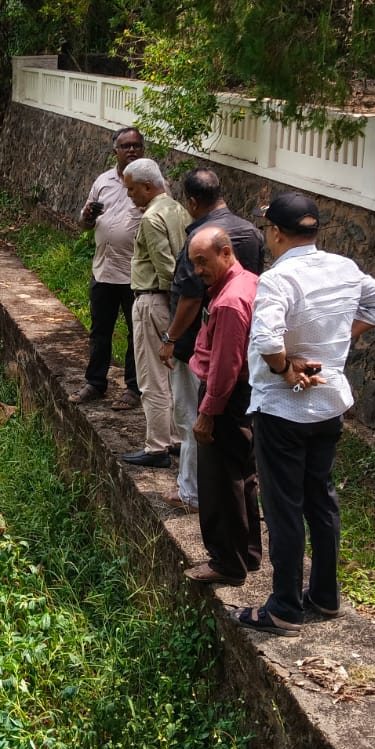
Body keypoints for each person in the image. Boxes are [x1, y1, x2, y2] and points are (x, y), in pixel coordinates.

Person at [235, 192, 375, 636]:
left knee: (284, 508)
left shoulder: (278, 278)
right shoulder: (343, 268)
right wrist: (336, 344)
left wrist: (288, 367)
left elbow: (268, 340)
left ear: (276, 233)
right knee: (321, 501)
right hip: (328, 406)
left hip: (282, 410)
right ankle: (325, 595)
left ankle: (285, 606)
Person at [157, 169, 265, 509]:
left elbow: (190, 296)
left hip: (200, 342)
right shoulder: (251, 233)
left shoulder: (201, 241)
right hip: (245, 342)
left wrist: (171, 337)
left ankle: (191, 490)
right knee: (236, 427)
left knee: (194, 417)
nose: (201, 267)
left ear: (191, 202)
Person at [182, 227, 262, 584]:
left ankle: (226, 561)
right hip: (244, 395)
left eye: (203, 261)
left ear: (226, 252)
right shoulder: (248, 283)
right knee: (243, 476)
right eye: (194, 264)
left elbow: (225, 365)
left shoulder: (230, 301)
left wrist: (207, 414)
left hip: (225, 399)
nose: (198, 270)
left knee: (219, 481)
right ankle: (247, 553)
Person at [69, 127, 146, 410]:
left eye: (136, 146)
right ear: (115, 151)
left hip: (136, 274)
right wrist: (87, 217)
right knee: (100, 331)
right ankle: (95, 382)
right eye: (125, 146)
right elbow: (85, 223)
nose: (132, 151)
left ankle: (133, 388)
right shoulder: (103, 181)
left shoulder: (151, 184)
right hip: (104, 270)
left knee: (136, 333)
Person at [119, 157, 188, 468]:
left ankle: (156, 446)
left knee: (151, 377)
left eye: (132, 190)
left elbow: (166, 269)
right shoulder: (178, 210)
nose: (130, 196)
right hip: (175, 303)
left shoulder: (151, 218)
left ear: (147, 187)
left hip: (154, 300)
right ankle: (174, 437)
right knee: (172, 374)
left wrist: (172, 317)